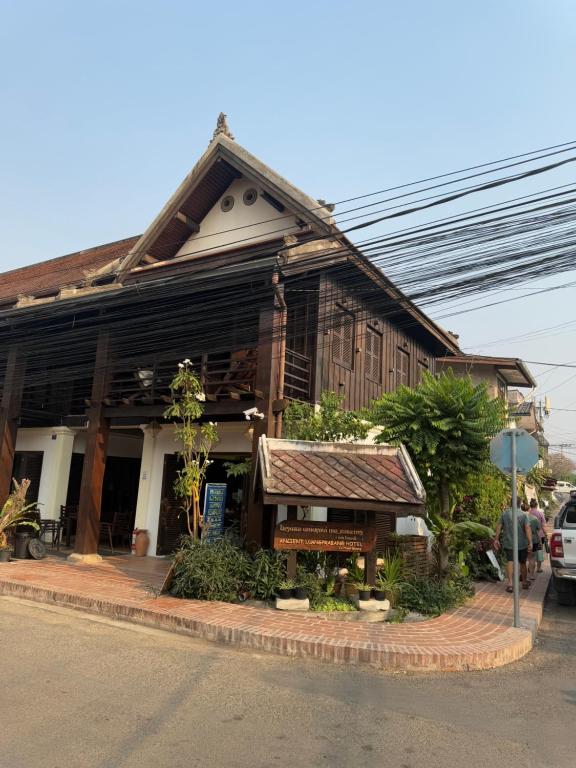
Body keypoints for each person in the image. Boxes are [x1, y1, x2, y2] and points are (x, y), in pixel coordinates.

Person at [494, 499, 533, 593]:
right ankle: (524, 582)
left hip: (509, 542)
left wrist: (496, 539)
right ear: (520, 504)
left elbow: (499, 526)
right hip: (522, 543)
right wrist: (530, 541)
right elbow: (527, 528)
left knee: (510, 561)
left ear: (510, 503)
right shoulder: (524, 515)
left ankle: (510, 584)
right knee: (523, 562)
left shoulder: (505, 514)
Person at [529, 498, 547, 573]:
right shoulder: (540, 513)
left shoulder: (527, 513)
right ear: (536, 505)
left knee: (530, 553)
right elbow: (543, 525)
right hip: (540, 536)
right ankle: (538, 568)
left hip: (528, 536)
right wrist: (546, 534)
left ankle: (529, 568)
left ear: (530, 505)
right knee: (539, 551)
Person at [525, 502, 542, 581]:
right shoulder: (534, 518)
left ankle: (522, 575)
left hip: (523, 540)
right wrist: (540, 542)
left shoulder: (519, 518)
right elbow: (538, 532)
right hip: (534, 540)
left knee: (522, 559)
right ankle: (531, 575)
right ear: (529, 509)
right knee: (532, 558)